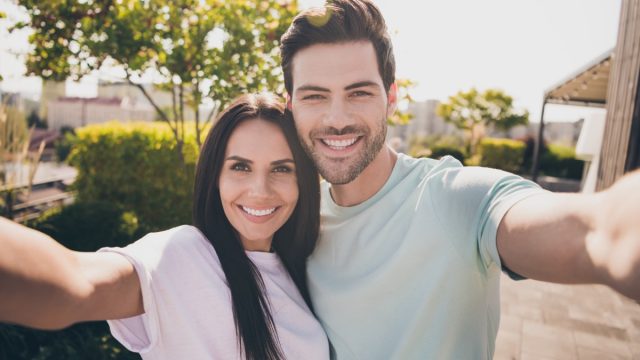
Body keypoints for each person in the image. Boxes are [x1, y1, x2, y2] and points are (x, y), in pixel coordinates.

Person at [279, 0, 640, 359]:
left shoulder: (452, 198)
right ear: (292, 104)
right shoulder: (294, 218)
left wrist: (616, 228)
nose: (337, 118)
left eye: (359, 92)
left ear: (391, 98)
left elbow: (593, 229)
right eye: (315, 96)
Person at [0, 93, 329, 360]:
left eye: (282, 169)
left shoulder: (306, 266)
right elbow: (73, 283)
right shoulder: (183, 256)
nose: (260, 190)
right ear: (215, 177)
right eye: (240, 167)